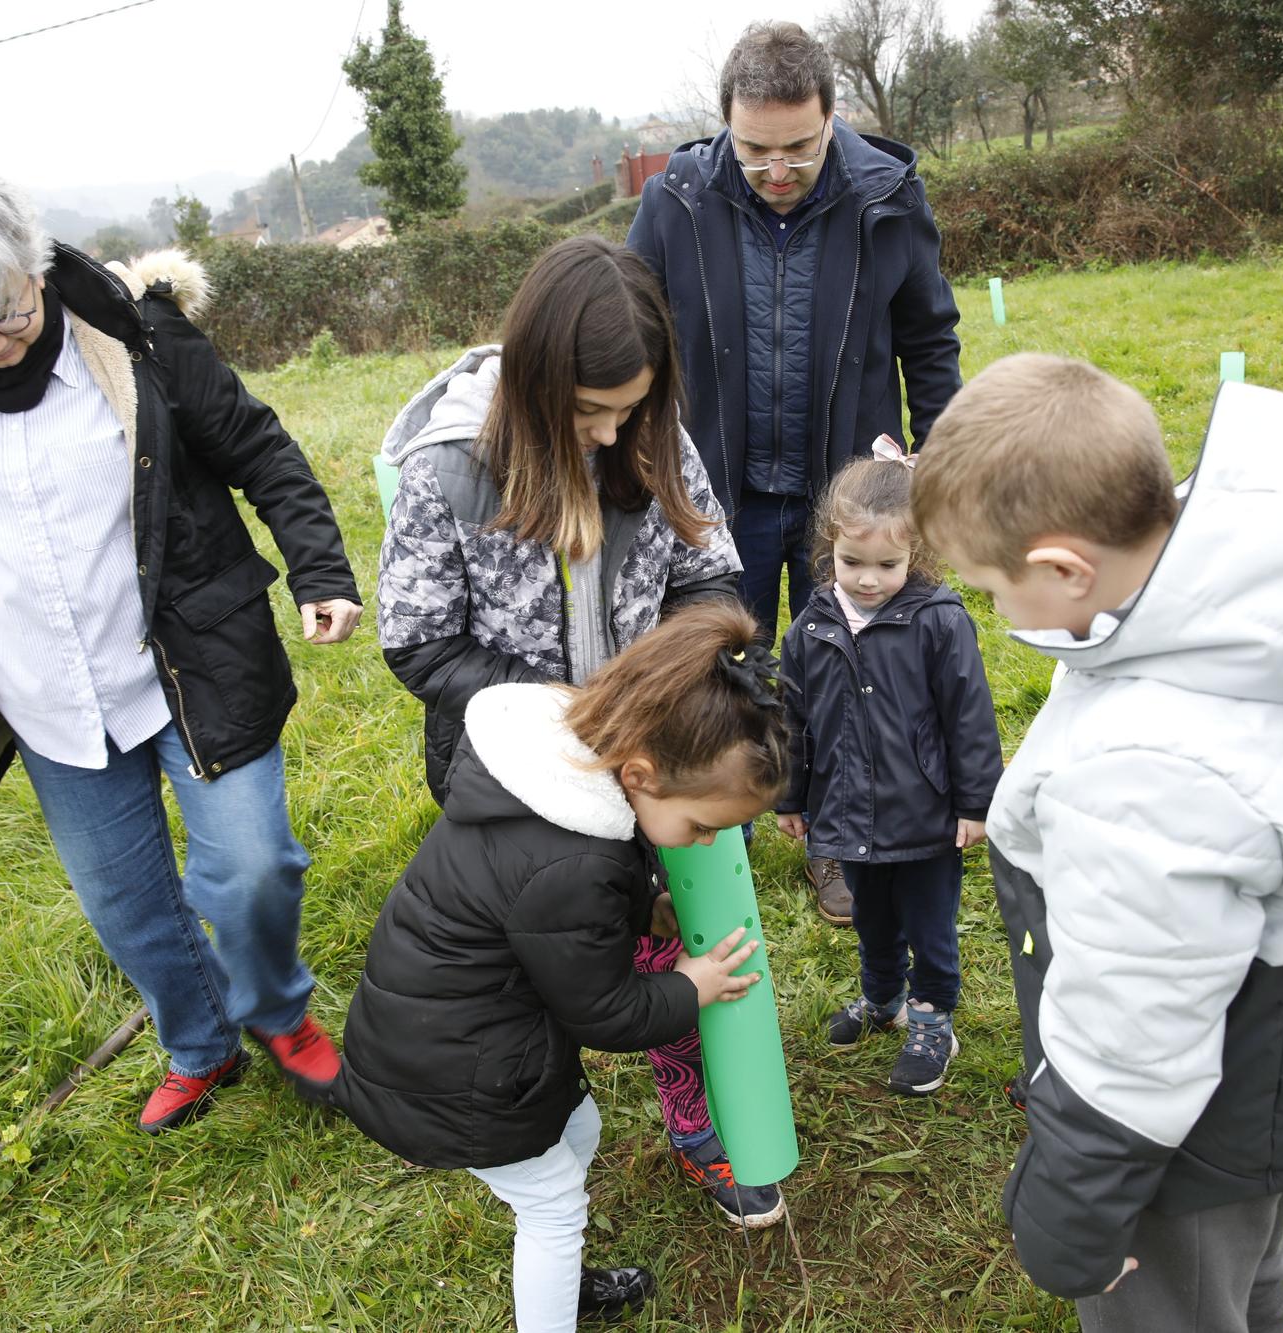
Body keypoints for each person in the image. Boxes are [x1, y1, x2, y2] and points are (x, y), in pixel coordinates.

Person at [0, 164, 364, 1132]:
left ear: (34, 269)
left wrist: (320, 567)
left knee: (250, 867)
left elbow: (257, 447)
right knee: (128, 907)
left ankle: (278, 1014)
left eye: (5, 313)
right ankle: (199, 1045)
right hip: (48, 697)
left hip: (190, 663)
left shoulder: (139, 336)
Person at [912, 354, 1283, 1332]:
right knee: (1248, 1256)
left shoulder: (1149, 775)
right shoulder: (1267, 603)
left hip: (1189, 1144)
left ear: (1064, 568)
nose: (994, 612)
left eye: (989, 587)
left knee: (1176, 1301)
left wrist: (1066, 1230)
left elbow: (1130, 1052)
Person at [375, 234, 785, 1228]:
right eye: (588, 412)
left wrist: (667, 690)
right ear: (532, 378)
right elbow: (419, 645)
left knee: (682, 959)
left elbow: (710, 577)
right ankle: (550, 1130)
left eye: (629, 409)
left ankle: (704, 1129)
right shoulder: (449, 470)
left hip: (663, 767)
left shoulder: (654, 440)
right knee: (566, 972)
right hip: (529, 785)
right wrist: (582, 714)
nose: (609, 434)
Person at [338, 603, 791, 1332]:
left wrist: (640, 910)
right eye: (703, 825)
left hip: (467, 1035)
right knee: (553, 1206)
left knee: (576, 1135)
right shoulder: (574, 862)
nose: (706, 844)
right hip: (452, 1073)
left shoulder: (571, 787)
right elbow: (605, 1010)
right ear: (640, 772)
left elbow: (549, 918)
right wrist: (691, 985)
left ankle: (562, 1282)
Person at [627, 20, 964, 929]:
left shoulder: (886, 196)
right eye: (756, 150)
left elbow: (931, 336)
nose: (777, 171)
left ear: (832, 118)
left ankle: (838, 844)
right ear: (725, 125)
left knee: (851, 677)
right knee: (711, 671)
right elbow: (627, 327)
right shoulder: (678, 201)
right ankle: (707, 846)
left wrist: (931, 456)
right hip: (714, 498)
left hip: (845, 500)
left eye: (800, 149)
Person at [774, 443, 1000, 1097]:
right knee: (871, 914)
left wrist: (974, 803)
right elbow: (793, 717)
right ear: (829, 549)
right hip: (848, 809)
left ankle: (932, 1018)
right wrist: (792, 795)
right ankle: (882, 999)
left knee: (929, 922)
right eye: (852, 562)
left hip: (926, 812)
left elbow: (970, 716)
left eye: (887, 564)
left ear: (916, 555)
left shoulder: (939, 622)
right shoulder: (811, 628)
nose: (868, 578)